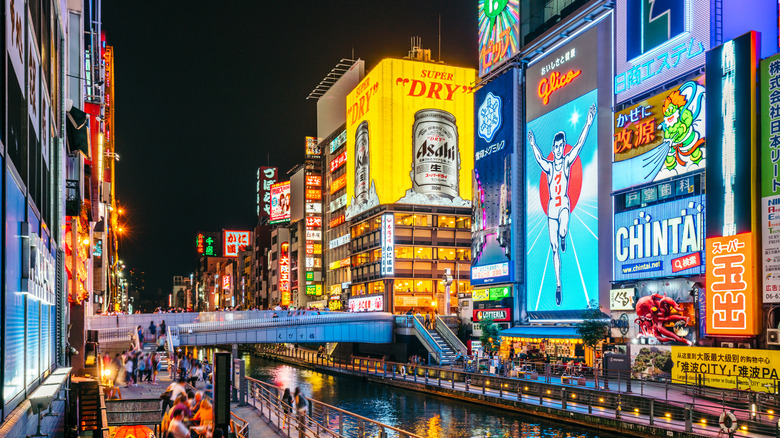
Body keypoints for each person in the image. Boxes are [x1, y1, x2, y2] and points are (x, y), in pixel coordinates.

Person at [527, 103, 596, 306]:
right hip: (551, 210)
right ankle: (558, 285)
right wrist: (532, 144)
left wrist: (588, 123)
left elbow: (580, 145)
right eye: (555, 147)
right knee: (554, 248)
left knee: (563, 230)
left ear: (563, 145)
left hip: (564, 204)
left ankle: (564, 236)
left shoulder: (566, 162)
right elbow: (539, 158)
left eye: (560, 146)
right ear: (553, 148)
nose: (558, 150)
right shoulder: (549, 166)